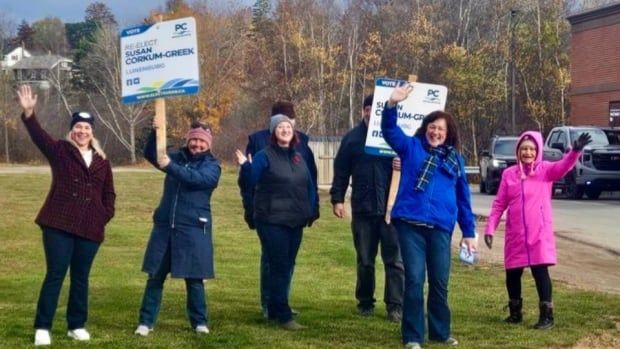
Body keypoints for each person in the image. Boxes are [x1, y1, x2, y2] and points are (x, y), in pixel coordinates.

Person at [17, 85, 116, 346]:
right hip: (58, 225)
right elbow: (39, 137)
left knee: (81, 278)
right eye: (78, 127)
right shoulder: (60, 150)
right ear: (72, 130)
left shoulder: (102, 161)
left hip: (90, 229)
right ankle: (43, 326)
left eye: (87, 128)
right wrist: (29, 113)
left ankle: (76, 324)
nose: (82, 131)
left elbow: (109, 194)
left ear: (92, 132)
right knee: (55, 275)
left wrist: (103, 215)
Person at [380, 83, 477, 349]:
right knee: (414, 279)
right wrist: (392, 105)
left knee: (439, 281)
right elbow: (390, 130)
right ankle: (412, 336)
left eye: (441, 129)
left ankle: (440, 332)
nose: (436, 132)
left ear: (448, 134)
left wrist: (469, 232)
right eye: (432, 127)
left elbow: (463, 199)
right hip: (410, 224)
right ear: (426, 128)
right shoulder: (411, 147)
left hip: (440, 227)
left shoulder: (455, 160)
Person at [484, 130, 591, 330]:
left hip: (538, 233)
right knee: (512, 274)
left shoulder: (545, 171)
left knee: (540, 273)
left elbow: (563, 167)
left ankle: (547, 316)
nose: (528, 152)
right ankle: (515, 313)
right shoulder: (509, 174)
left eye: (532, 149)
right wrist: (490, 228)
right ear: (518, 151)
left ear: (538, 150)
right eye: (524, 148)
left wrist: (575, 151)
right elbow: (499, 204)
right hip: (515, 234)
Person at [134, 119, 221, 336]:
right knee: (155, 277)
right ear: (187, 139)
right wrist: (155, 132)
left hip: (193, 229)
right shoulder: (176, 157)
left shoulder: (213, 166)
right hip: (165, 228)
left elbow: (196, 179)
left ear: (208, 144)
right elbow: (152, 155)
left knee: (194, 279)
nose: (197, 144)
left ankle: (199, 322)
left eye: (202, 141)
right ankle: (146, 322)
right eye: (194, 139)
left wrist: (170, 167)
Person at [236, 114, 319, 330]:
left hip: (295, 221)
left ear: (293, 131)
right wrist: (245, 167)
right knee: (279, 265)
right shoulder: (264, 156)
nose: (285, 130)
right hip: (271, 220)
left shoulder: (298, 157)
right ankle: (283, 314)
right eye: (280, 127)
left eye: (288, 126)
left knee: (287, 265)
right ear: (273, 132)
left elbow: (309, 185)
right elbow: (249, 182)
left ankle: (274, 307)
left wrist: (309, 209)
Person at [330, 94, 404, 321]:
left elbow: (416, 165)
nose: (372, 113)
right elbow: (341, 170)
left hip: (392, 209)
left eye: (377, 109)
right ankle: (365, 302)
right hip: (363, 207)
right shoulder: (352, 139)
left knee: (395, 261)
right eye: (368, 108)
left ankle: (395, 305)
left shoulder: (396, 137)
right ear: (363, 111)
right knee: (365, 259)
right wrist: (337, 198)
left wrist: (403, 164)